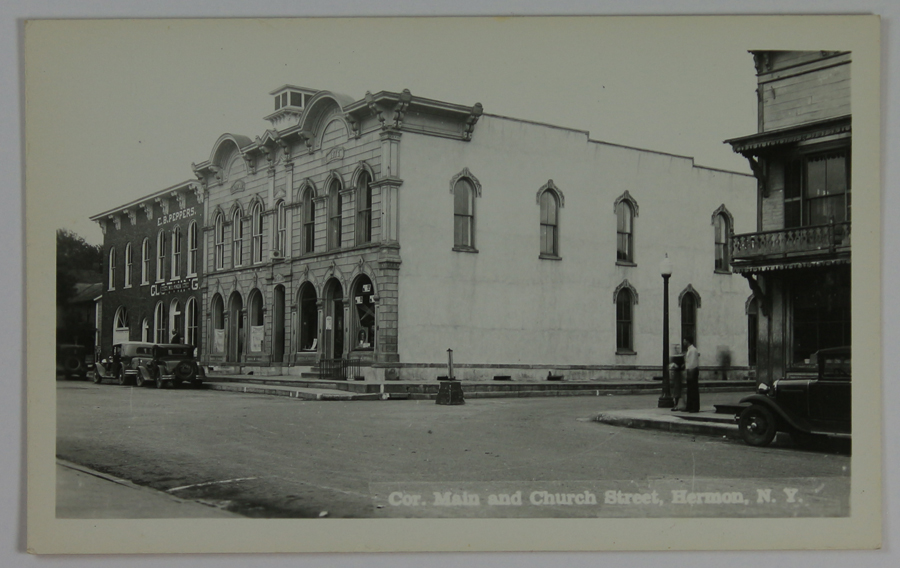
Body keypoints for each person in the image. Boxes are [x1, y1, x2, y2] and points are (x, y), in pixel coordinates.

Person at [684, 339, 700, 412]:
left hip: (692, 370)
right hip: (690, 370)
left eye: (685, 340)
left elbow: (692, 362)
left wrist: (690, 372)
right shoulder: (690, 350)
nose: (683, 342)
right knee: (690, 390)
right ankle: (689, 406)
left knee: (693, 389)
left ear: (688, 341)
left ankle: (694, 407)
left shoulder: (693, 350)